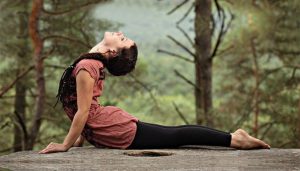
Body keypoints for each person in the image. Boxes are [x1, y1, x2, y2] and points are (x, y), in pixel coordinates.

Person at [39, 32, 270, 154]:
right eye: (123, 38)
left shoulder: (88, 67)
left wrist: (66, 144)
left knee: (176, 137)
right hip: (107, 129)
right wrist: (80, 139)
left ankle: (234, 139)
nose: (120, 33)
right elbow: (85, 108)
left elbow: (84, 110)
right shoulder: (90, 64)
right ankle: (234, 137)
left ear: (110, 51)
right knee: (175, 136)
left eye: (122, 39)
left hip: (117, 130)